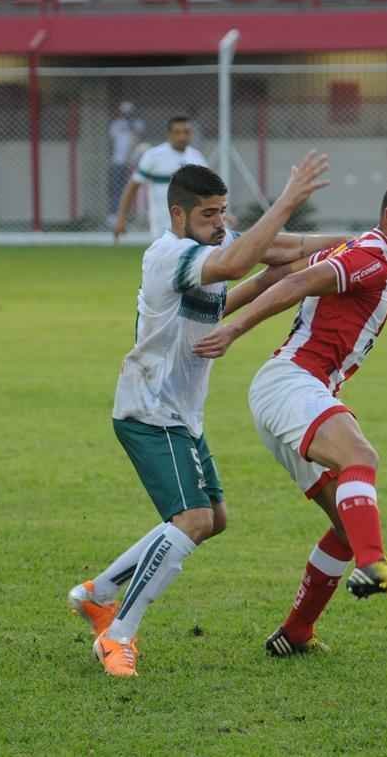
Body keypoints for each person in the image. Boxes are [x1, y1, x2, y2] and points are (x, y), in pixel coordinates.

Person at [68, 153, 349, 678]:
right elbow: (239, 263)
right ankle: (117, 635)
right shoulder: (168, 252)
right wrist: (288, 200)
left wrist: (360, 241)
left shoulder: (208, 250)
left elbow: (271, 258)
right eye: (209, 215)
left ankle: (97, 592)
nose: (220, 223)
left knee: (213, 521)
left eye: (223, 212)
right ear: (178, 216)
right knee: (191, 521)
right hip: (150, 411)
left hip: (181, 414)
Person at [192, 172, 387, 657]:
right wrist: (234, 328)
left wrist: (221, 286)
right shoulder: (371, 255)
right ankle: (373, 564)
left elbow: (282, 263)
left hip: (290, 391)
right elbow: (299, 281)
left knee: (348, 525)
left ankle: (296, 632)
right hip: (291, 384)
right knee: (360, 457)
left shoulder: (366, 250)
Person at [113, 116, 206, 243]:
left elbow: (208, 191)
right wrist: (121, 218)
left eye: (186, 132)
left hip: (191, 224)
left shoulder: (197, 157)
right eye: (177, 132)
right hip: (162, 226)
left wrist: (222, 215)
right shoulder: (154, 155)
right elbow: (132, 187)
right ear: (169, 134)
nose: (182, 137)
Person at [108, 101, 145, 227]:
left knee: (131, 189)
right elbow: (113, 138)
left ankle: (130, 216)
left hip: (133, 162)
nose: (127, 115)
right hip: (118, 160)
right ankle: (114, 216)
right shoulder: (116, 124)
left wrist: (130, 124)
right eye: (124, 113)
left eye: (129, 113)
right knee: (116, 188)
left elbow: (139, 135)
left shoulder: (138, 123)